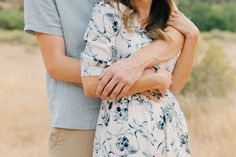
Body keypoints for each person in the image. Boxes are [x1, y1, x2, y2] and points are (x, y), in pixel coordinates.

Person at [24, 0, 198, 156]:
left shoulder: (159, 8)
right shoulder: (105, 10)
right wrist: (141, 79)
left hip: (160, 126)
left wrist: (136, 65)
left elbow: (174, 38)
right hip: (81, 121)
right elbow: (56, 64)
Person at [81, 0, 199, 156]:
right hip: (123, 132)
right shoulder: (106, 11)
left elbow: (174, 86)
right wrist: (154, 80)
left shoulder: (169, 14)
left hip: (168, 128)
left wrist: (192, 36)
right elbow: (90, 84)